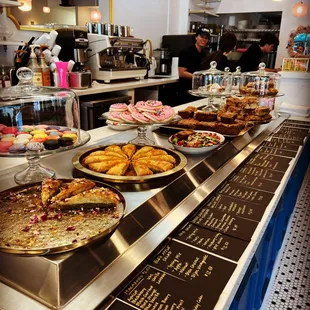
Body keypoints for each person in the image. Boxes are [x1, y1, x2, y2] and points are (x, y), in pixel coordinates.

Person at [178, 27, 210, 104]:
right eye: (202, 37)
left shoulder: (206, 54)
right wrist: (198, 77)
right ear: (196, 37)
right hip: (187, 90)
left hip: (201, 91)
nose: (204, 40)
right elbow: (181, 73)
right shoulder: (186, 52)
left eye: (206, 38)